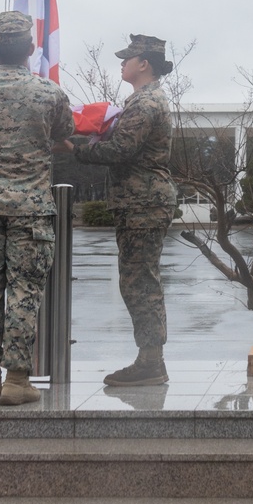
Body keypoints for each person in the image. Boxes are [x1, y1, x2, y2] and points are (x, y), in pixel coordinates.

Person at [0, 11, 75, 406]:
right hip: (32, 210)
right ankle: (17, 380)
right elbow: (63, 136)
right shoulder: (49, 93)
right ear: (30, 49)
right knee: (25, 292)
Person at [67, 35, 177, 386]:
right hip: (141, 201)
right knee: (140, 279)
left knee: (138, 282)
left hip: (143, 202)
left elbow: (120, 150)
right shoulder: (144, 99)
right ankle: (151, 358)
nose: (122, 63)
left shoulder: (146, 103)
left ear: (143, 63)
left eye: (128, 58)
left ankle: (150, 362)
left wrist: (74, 148)